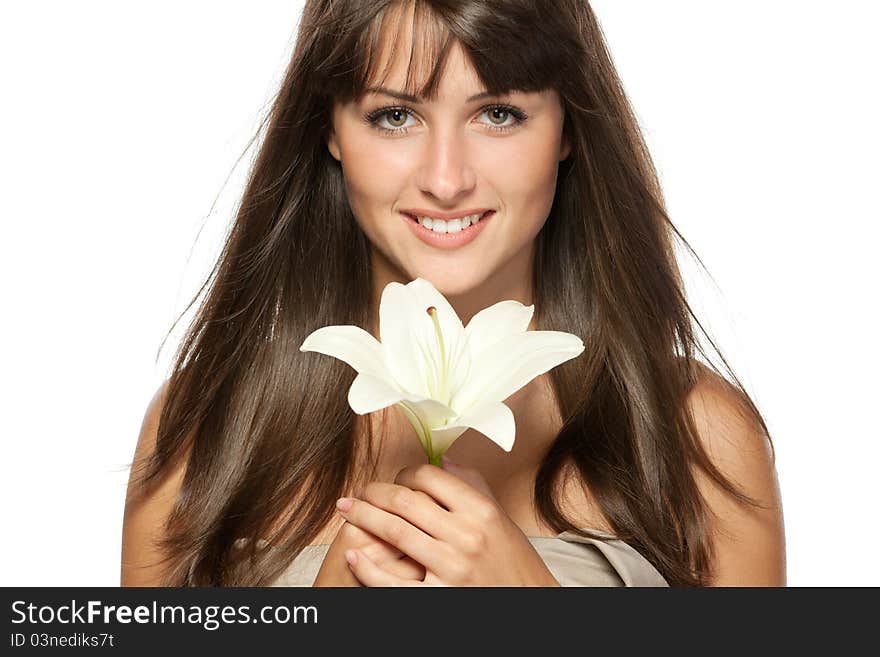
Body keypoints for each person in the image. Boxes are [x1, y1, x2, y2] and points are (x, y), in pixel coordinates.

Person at [121, 0, 785, 587]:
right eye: (394, 116)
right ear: (329, 129)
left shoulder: (700, 438)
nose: (446, 179)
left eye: (498, 113)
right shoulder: (201, 433)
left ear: (568, 127)